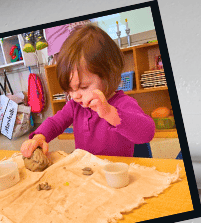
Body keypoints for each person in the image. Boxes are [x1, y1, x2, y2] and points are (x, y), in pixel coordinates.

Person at [21, 25, 154, 158]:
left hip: (116, 173)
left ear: (108, 74)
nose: (75, 95)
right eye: (70, 90)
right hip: (88, 172)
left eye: (83, 87)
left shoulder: (123, 103)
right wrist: (39, 136)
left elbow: (147, 133)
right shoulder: (75, 106)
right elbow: (55, 122)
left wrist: (109, 113)